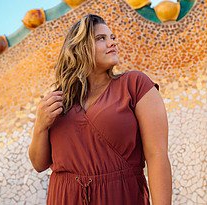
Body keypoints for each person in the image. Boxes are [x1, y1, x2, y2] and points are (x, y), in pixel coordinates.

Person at [28, 14, 172, 205]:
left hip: (120, 196)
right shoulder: (60, 98)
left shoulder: (135, 85)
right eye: (101, 38)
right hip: (64, 198)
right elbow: (39, 164)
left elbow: (157, 155)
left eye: (112, 37)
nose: (112, 43)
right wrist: (40, 125)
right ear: (79, 48)